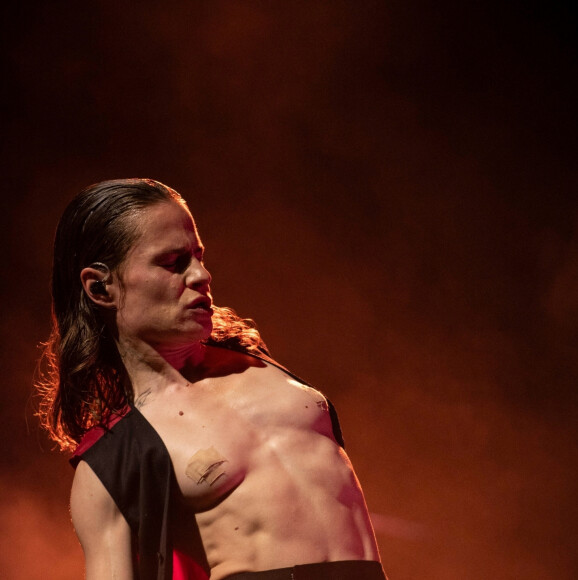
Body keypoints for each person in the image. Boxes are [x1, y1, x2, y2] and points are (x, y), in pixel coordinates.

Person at [37, 178, 387, 580]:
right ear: (100, 288)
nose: (202, 274)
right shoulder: (112, 464)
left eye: (198, 256)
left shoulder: (258, 365)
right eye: (173, 263)